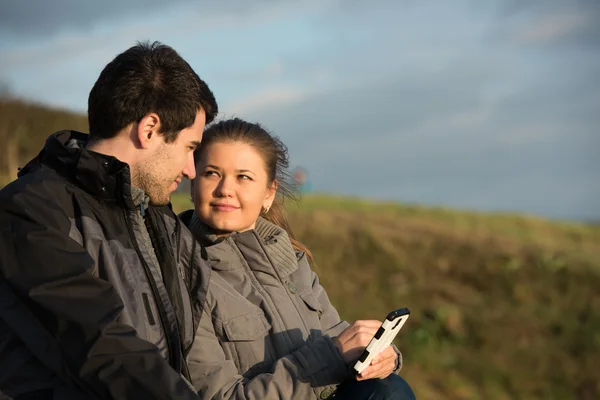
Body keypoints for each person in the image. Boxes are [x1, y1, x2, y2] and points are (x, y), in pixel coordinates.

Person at [0, 41, 217, 399]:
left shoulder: (159, 218)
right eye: (189, 148)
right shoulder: (30, 210)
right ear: (149, 129)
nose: (191, 169)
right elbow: (99, 345)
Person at [179, 118, 416, 399]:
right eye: (212, 173)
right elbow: (221, 396)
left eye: (243, 177)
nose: (225, 189)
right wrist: (331, 355)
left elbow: (334, 333)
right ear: (193, 183)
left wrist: (383, 356)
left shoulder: (291, 259)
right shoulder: (182, 272)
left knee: (389, 389)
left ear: (269, 193)